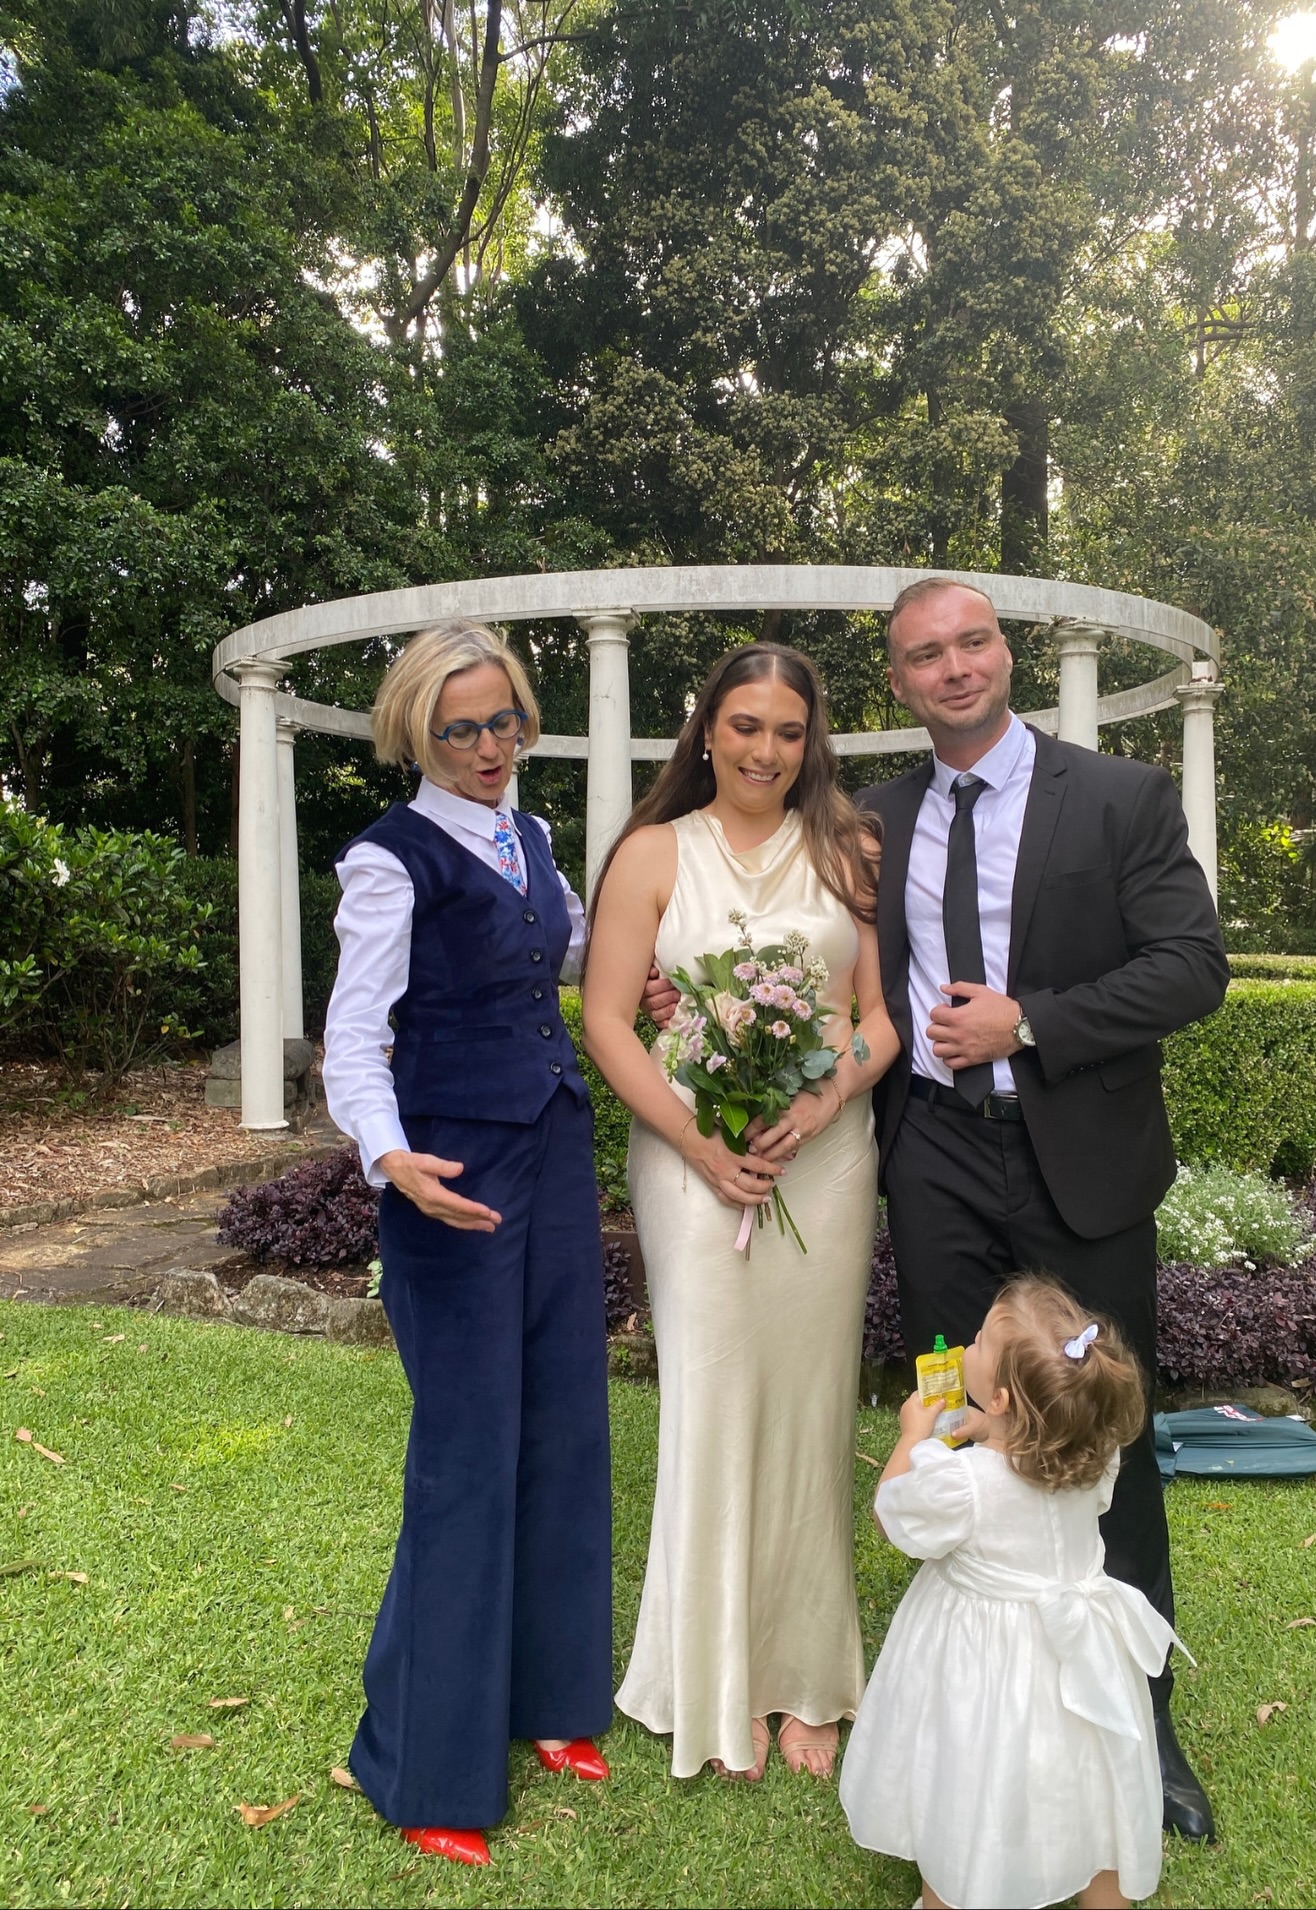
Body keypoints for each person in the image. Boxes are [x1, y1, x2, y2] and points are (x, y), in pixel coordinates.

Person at [856, 576, 1230, 1839]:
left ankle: (1145, 1716)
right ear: (900, 682)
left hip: (1083, 1157)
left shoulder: (1120, 795)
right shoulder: (876, 819)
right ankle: (964, 1703)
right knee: (963, 1413)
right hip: (936, 1164)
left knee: (1100, 1428)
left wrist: (1035, 1023)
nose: (954, 668)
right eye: (926, 655)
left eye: (972, 643)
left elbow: (1192, 965)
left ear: (1003, 654)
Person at [582, 641, 900, 1782]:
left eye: (789, 730)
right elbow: (610, 1019)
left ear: (812, 742)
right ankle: (713, 1677)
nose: (766, 748)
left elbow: (881, 1015)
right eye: (746, 724)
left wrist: (818, 1104)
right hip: (690, 1159)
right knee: (714, 1399)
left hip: (823, 1157)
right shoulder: (652, 852)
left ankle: (807, 1675)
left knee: (812, 1412)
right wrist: (699, 1142)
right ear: (705, 728)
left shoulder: (850, 849)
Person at [322, 620, 613, 1868]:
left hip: (550, 1156)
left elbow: (573, 950)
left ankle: (551, 1702)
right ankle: (424, 1760)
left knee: (562, 1423)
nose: (490, 746)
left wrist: (636, 978)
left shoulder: (534, 838)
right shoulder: (389, 862)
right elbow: (351, 1036)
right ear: (416, 734)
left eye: (505, 722)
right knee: (463, 1455)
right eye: (462, 729)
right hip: (450, 1178)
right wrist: (391, 1159)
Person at [839, 1278, 1182, 1910]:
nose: (966, 1345)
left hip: (984, 1666)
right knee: (1088, 1781)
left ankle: (953, 1891)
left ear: (997, 1396)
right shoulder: (1093, 1453)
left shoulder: (961, 1486)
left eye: (976, 1341)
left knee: (970, 1777)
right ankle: (1104, 1896)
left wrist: (913, 1435)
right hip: (1080, 1658)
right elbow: (1026, 1460)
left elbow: (893, 1516)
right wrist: (986, 1431)